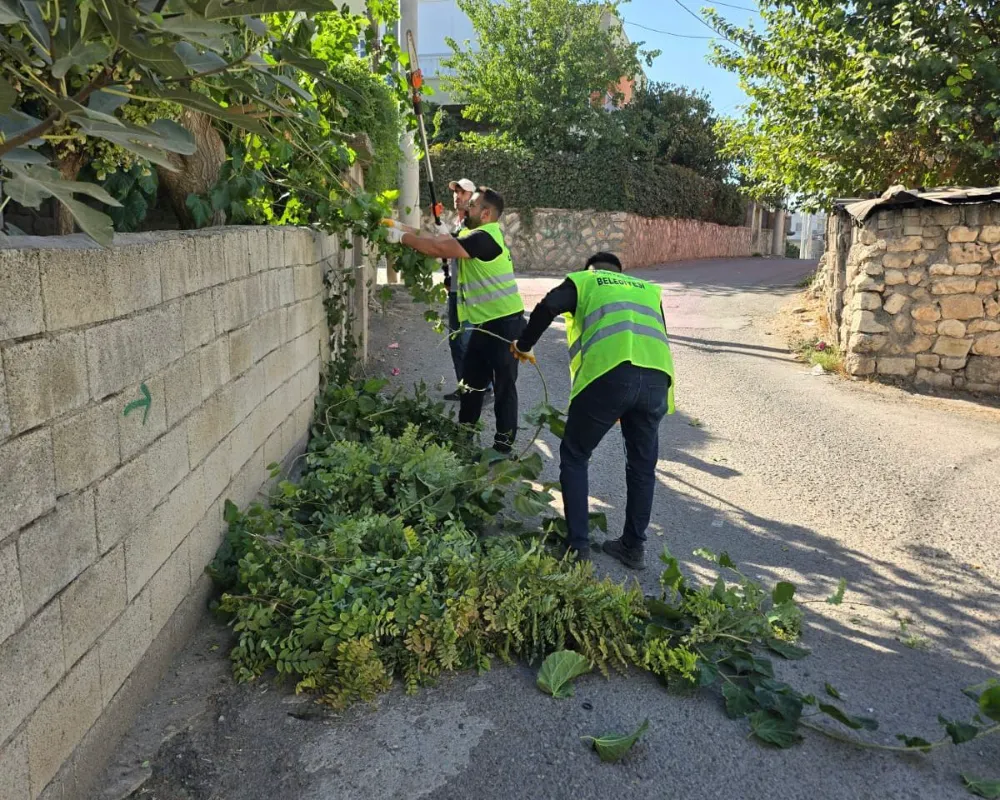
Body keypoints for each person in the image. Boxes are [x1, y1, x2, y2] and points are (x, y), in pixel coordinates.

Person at [510, 252, 675, 567]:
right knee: (642, 468)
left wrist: (524, 345)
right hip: (656, 380)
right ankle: (633, 548)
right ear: (620, 271)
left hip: (609, 375)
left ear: (590, 268)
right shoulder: (647, 290)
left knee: (575, 455)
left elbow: (547, 306)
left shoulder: (586, 280)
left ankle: (578, 547)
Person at [385, 187, 525, 453]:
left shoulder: (484, 238)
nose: (465, 209)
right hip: (485, 324)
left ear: (485, 214)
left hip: (507, 326)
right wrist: (398, 226)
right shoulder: (473, 234)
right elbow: (436, 238)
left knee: (504, 387)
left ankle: (503, 447)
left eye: (471, 206)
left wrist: (401, 238)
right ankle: (464, 437)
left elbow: (438, 247)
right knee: (471, 385)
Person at [443, 178, 491, 402]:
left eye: (463, 193)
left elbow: (455, 246)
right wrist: (449, 278)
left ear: (472, 199)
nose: (457, 196)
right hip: (456, 290)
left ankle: (481, 388)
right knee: (456, 340)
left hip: (470, 294)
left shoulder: (473, 227)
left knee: (467, 341)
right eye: (456, 192)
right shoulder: (458, 225)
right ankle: (465, 387)